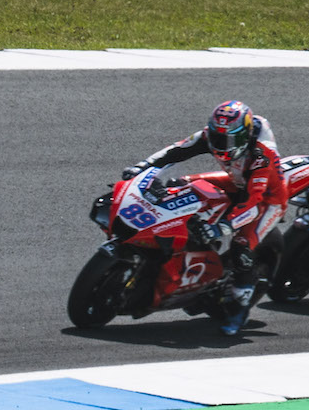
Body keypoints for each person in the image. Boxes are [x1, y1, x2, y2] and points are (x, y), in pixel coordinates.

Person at [120, 100, 288, 335]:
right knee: (180, 185)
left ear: (245, 136)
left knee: (241, 246)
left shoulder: (262, 157)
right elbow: (175, 151)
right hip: (237, 180)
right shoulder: (211, 135)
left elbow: (251, 203)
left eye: (228, 140)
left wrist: (223, 227)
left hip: (267, 200)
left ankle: (239, 311)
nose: (220, 145)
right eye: (217, 137)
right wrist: (142, 167)